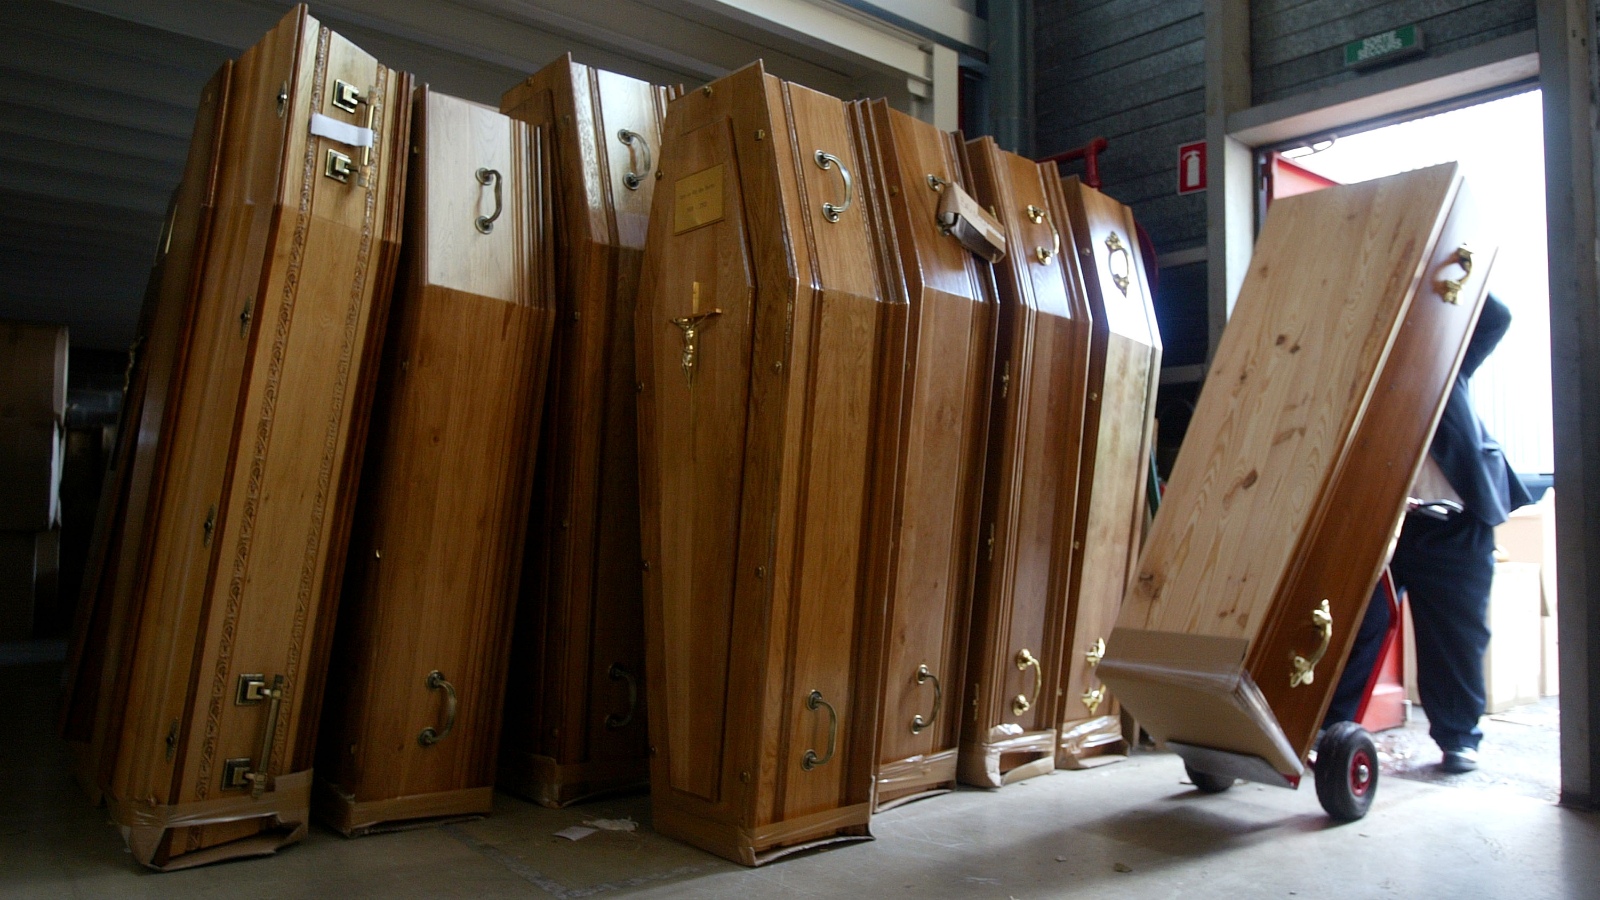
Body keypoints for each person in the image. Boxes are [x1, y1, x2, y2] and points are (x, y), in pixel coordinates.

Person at [1324, 292, 1532, 773]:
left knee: (1457, 634)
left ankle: (1459, 737)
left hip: (1457, 521)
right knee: (1357, 624)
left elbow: (1496, 316)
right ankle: (1330, 732)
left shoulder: (1446, 360)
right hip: (1384, 526)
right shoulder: (1356, 380)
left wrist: (1427, 266)